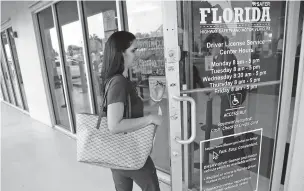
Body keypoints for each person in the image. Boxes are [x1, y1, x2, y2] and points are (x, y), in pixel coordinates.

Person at [100, 31, 162, 191]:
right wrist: (149, 119)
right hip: (132, 152)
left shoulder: (116, 79)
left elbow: (127, 110)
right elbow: (114, 125)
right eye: (133, 50)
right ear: (121, 53)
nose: (136, 55)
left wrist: (151, 102)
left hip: (117, 153)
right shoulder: (118, 82)